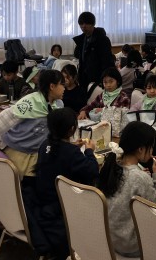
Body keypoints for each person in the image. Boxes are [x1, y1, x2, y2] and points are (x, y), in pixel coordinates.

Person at [26, 108, 99, 259]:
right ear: (72, 129)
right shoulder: (71, 152)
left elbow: (59, 156)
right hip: (62, 206)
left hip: (43, 201)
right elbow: (92, 170)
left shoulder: (45, 144)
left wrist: (73, 148)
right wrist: (89, 151)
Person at [0, 70, 65, 180]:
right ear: (52, 86)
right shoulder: (30, 103)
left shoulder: (58, 104)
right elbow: (0, 122)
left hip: (38, 153)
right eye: (62, 84)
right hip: (18, 153)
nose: (64, 88)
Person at [96, 121, 156, 258]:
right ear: (141, 149)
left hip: (109, 238)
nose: (152, 151)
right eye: (151, 147)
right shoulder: (140, 178)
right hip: (131, 246)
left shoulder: (111, 166)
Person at [73, 11, 115, 89]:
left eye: (86, 23)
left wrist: (105, 79)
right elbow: (78, 56)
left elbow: (107, 61)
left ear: (93, 24)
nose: (83, 26)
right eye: (81, 24)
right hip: (84, 78)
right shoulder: (81, 39)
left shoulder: (102, 39)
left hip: (97, 78)